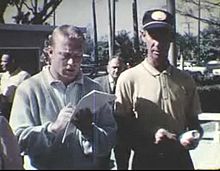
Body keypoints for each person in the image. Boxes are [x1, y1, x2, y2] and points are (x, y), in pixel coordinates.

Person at [9, 25, 117, 170]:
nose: (72, 63)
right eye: (65, 56)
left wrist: (89, 131)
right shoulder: (28, 89)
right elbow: (16, 143)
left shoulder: (94, 89)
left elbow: (109, 142)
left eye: (77, 56)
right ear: (50, 52)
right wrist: (52, 130)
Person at [114, 9, 204, 170]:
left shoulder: (186, 80)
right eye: (153, 35)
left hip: (181, 161)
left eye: (163, 34)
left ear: (171, 38)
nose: (158, 42)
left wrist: (194, 136)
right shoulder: (128, 79)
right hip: (145, 161)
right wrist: (150, 139)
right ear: (143, 36)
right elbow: (122, 131)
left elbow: (195, 124)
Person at [94, 53, 125, 169]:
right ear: (108, 68)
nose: (116, 70)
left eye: (119, 68)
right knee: (102, 162)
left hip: (122, 130)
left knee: (122, 162)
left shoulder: (127, 83)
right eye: (114, 67)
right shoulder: (97, 83)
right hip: (103, 129)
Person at [0, 53, 30, 120]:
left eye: (4, 61)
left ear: (12, 61)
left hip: (16, 109)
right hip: (3, 109)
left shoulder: (23, 75)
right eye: (1, 61)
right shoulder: (3, 76)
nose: (1, 63)